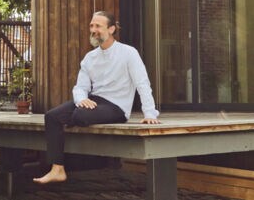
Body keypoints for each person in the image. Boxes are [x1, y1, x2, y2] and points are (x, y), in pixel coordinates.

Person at [33, 11, 160, 184]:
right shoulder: (90, 58)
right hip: (94, 101)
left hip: (117, 107)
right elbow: (80, 87)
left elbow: (142, 83)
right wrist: (81, 100)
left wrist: (150, 114)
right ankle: (57, 169)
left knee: (80, 115)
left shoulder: (128, 53)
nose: (93, 30)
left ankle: (76, 117)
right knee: (52, 116)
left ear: (111, 29)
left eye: (98, 26)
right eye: (92, 26)